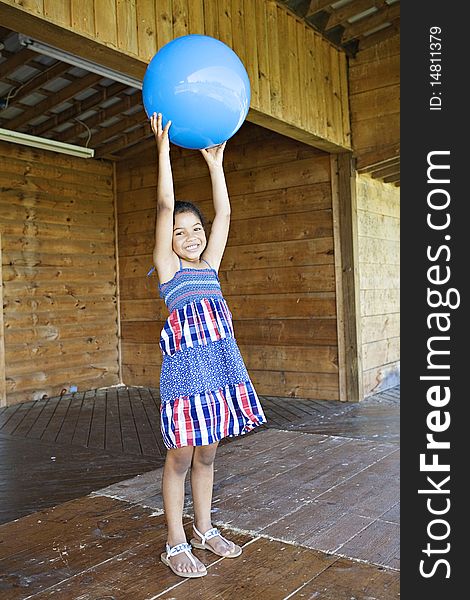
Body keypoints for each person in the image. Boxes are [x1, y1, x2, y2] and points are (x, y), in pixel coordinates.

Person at [148, 113, 267, 578]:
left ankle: (203, 528)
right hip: (184, 377)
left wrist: (215, 165)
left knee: (208, 453)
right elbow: (163, 206)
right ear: (169, 242)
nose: (191, 236)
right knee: (180, 455)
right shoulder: (169, 270)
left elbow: (225, 216)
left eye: (194, 228)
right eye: (180, 232)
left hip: (218, 372)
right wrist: (163, 152)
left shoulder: (211, 265)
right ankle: (175, 540)